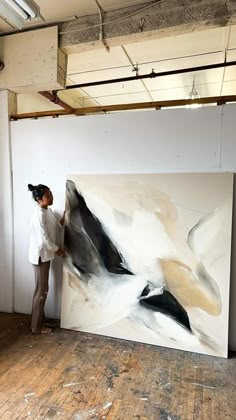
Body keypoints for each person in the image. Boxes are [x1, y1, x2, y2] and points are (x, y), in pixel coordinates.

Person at [28, 183, 65, 334]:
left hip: (45, 255)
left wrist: (64, 218)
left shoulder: (47, 210)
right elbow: (45, 239)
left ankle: (37, 320)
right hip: (40, 257)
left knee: (40, 290)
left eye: (51, 194)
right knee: (42, 291)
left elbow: (55, 226)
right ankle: (36, 327)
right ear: (39, 199)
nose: (51, 198)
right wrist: (58, 250)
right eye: (47, 196)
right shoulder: (39, 216)